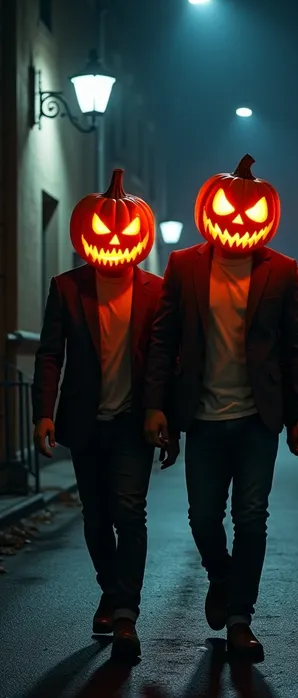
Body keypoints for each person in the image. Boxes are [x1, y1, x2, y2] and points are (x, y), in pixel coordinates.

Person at [144, 154, 298, 662]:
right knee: (203, 519)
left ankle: (241, 617)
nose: (238, 220)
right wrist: (156, 406)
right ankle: (221, 577)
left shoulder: (282, 271)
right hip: (201, 417)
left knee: (252, 517)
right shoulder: (184, 265)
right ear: (207, 209)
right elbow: (162, 340)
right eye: (227, 208)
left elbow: (297, 346)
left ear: (268, 214)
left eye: (251, 212)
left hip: (257, 418)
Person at [32, 169, 165, 661]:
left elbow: (163, 360)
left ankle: (125, 613)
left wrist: (163, 417)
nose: (113, 239)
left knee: (130, 514)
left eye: (124, 231)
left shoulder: (155, 291)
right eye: (102, 231)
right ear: (84, 233)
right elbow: (50, 354)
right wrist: (43, 413)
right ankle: (110, 590)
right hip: (85, 420)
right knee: (96, 517)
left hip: (133, 423)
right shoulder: (67, 288)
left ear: (141, 235)